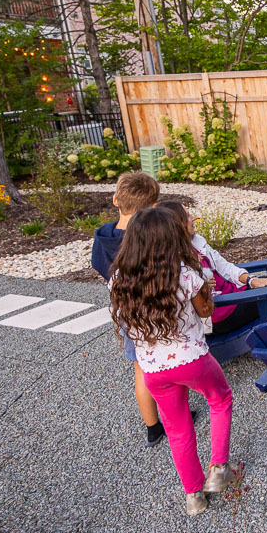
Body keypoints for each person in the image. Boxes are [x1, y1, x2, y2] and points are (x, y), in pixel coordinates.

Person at [108, 207, 236, 516]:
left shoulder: (117, 280)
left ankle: (193, 496)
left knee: (177, 430)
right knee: (220, 400)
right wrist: (206, 290)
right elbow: (206, 312)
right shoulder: (185, 275)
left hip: (153, 369)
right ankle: (218, 467)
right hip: (192, 359)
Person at [90, 171, 174, 448]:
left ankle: (153, 428)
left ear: (115, 200)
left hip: (126, 312)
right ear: (152, 208)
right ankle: (177, 417)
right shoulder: (149, 238)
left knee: (142, 368)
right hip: (159, 305)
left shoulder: (103, 239)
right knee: (173, 361)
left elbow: (101, 269)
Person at [157, 200, 267, 336]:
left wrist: (251, 280)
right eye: (188, 216)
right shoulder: (172, 262)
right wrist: (202, 288)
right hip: (220, 311)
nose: (193, 218)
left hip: (234, 294)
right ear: (175, 224)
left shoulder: (197, 242)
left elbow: (224, 267)